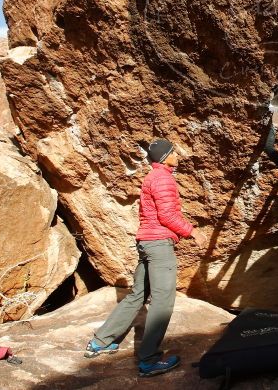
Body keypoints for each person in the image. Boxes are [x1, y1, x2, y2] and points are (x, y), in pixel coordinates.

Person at [84, 138, 207, 377]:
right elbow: (167, 215)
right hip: (159, 245)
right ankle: (149, 360)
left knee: (137, 295)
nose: (177, 154)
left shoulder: (152, 177)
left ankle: (100, 341)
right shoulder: (163, 179)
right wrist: (193, 232)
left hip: (146, 242)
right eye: (173, 152)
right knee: (162, 301)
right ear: (164, 157)